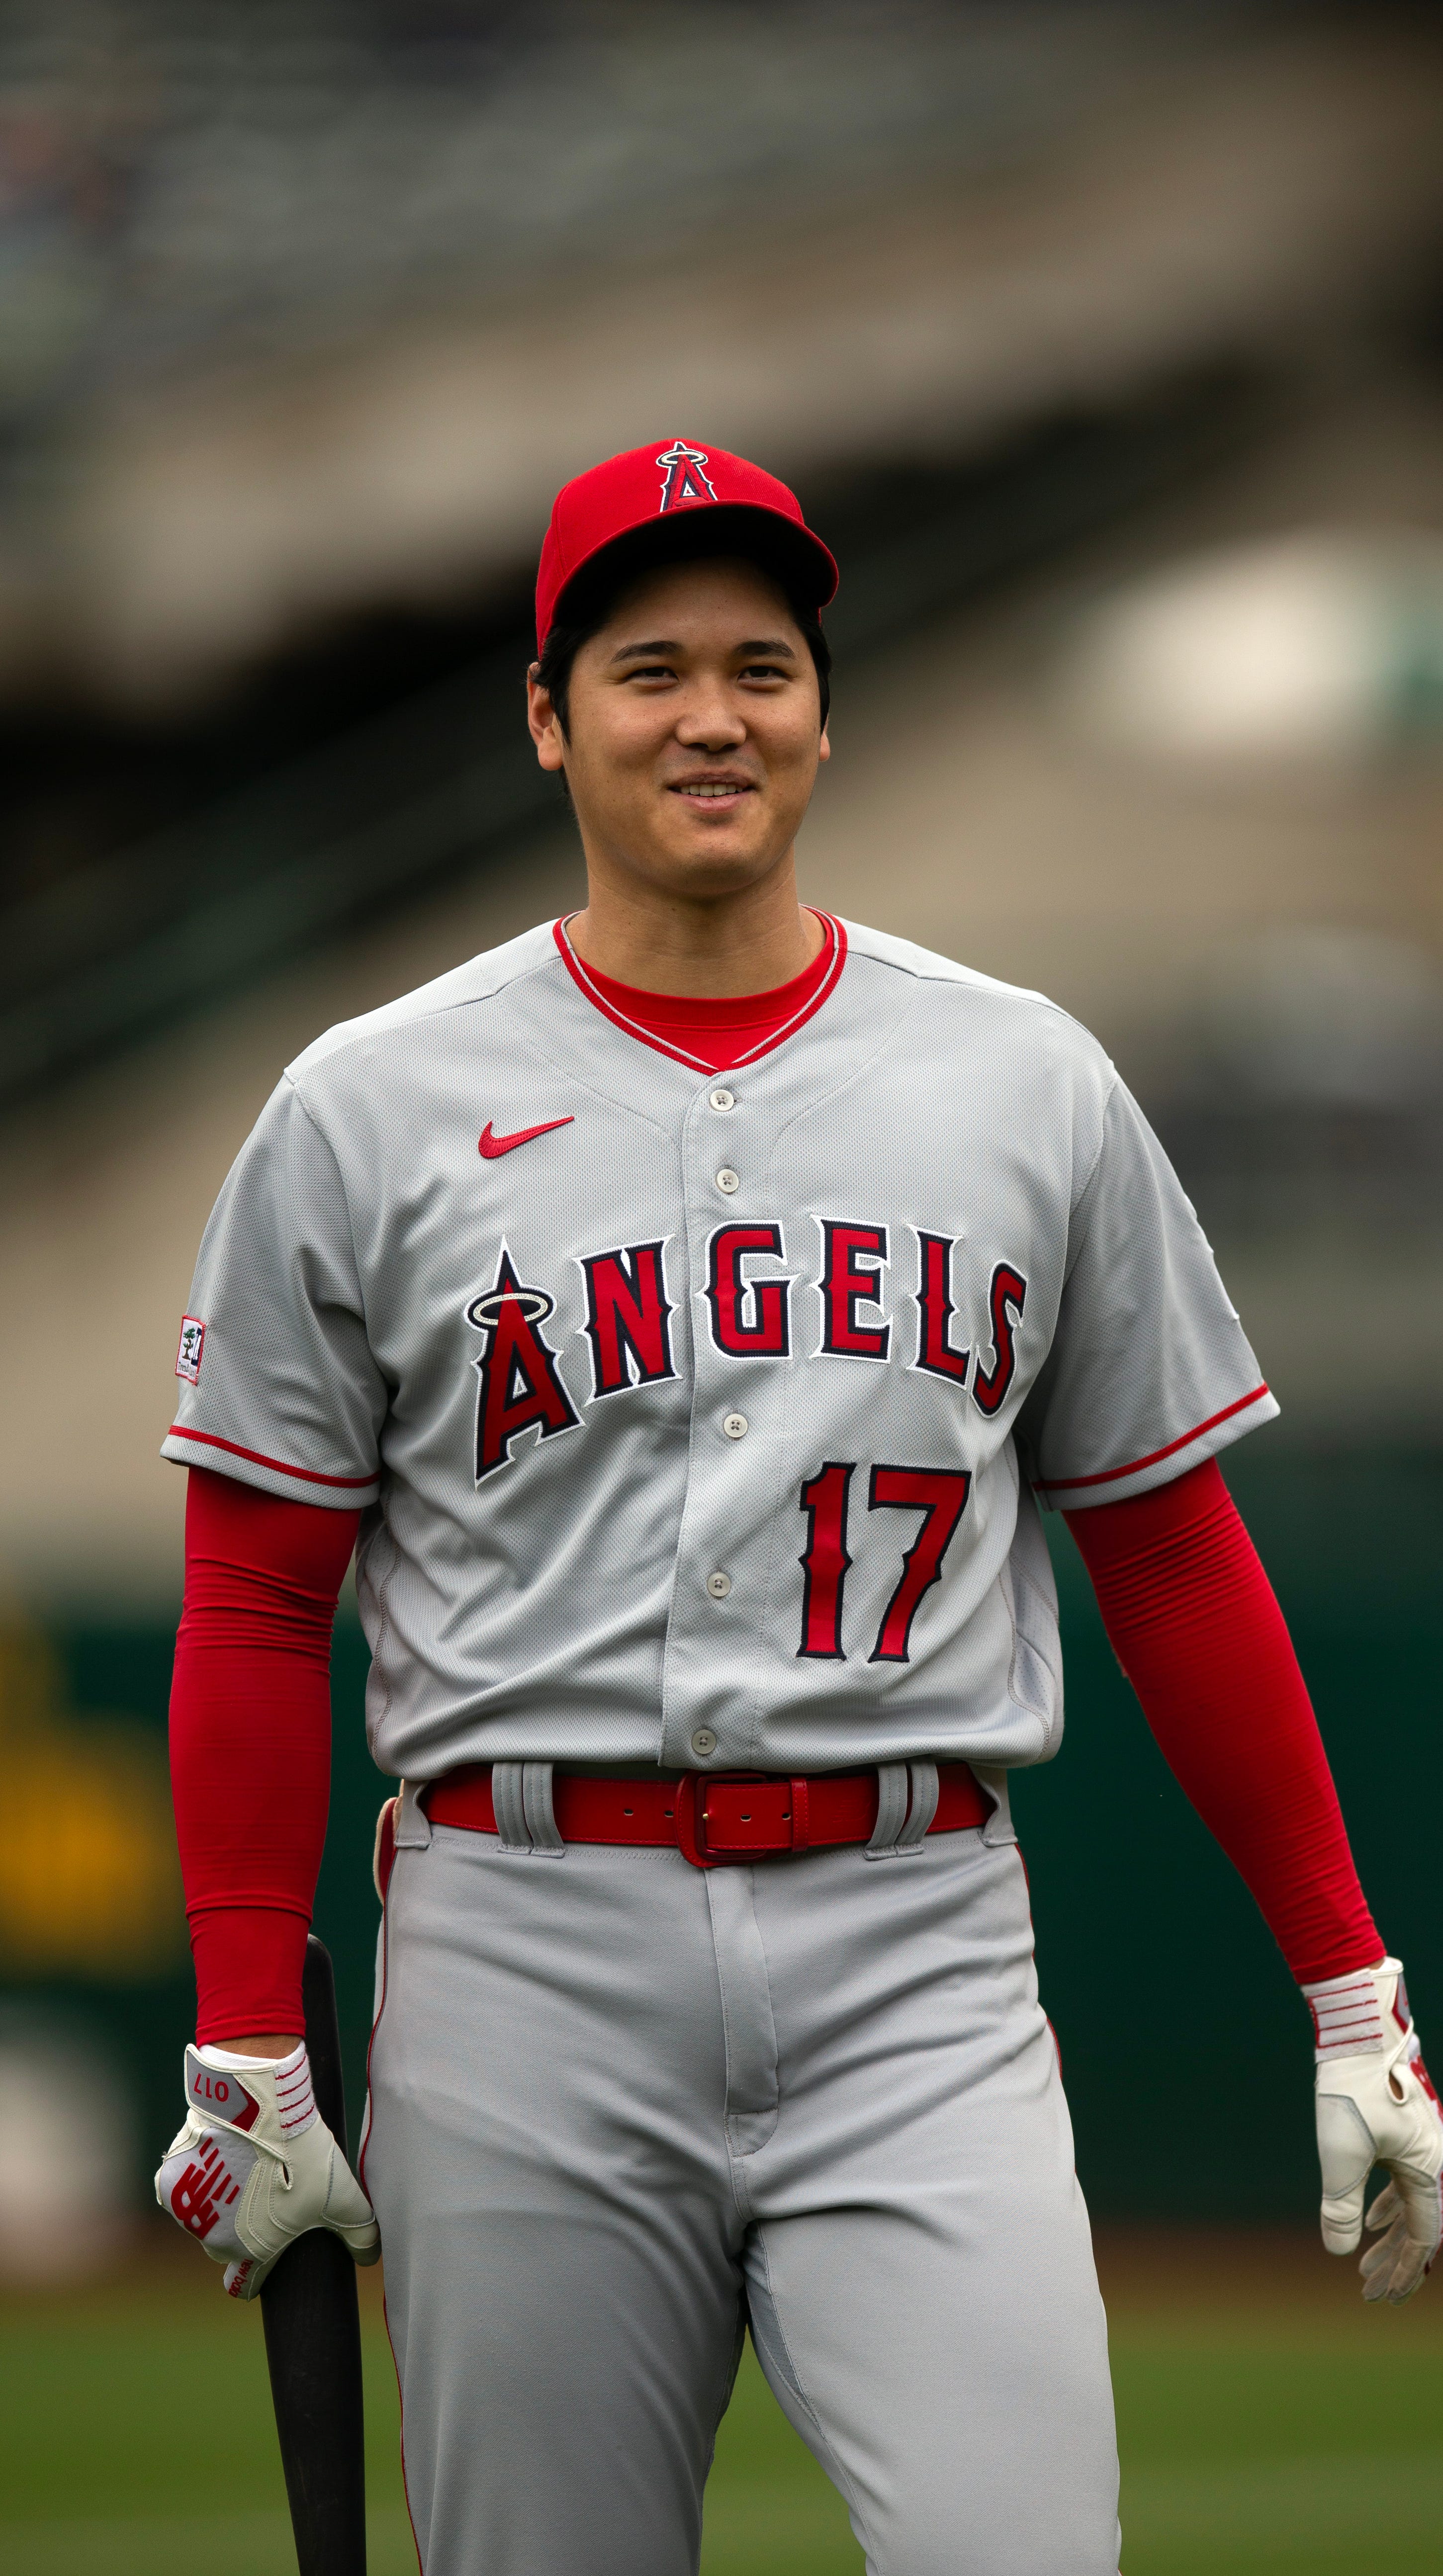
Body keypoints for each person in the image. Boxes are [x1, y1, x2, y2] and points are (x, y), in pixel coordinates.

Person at [156, 438, 1442, 2576]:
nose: (714, 715)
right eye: (648, 667)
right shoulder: (366, 1104)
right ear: (551, 718)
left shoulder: (1025, 1076)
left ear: (825, 714)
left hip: (915, 1944)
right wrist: (241, 2036)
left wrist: (1349, 1986)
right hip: (521, 1950)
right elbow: (258, 1593)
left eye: (763, 665)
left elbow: (1173, 1549)